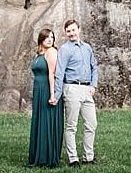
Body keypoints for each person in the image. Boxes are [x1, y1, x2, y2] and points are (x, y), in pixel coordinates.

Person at [53, 19, 98, 166]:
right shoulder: (65, 49)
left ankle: (88, 158)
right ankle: (73, 159)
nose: (71, 33)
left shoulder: (87, 48)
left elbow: (94, 67)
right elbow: (59, 73)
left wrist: (93, 85)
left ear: (79, 29)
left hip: (87, 90)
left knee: (91, 124)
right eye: (68, 31)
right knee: (71, 125)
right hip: (71, 88)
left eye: (73, 30)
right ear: (65, 33)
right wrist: (57, 95)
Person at [28, 28, 63, 168]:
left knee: (47, 121)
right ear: (41, 39)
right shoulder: (39, 54)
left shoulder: (52, 52)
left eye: (52, 37)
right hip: (38, 91)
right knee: (39, 121)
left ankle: (47, 157)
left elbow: (52, 74)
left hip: (48, 90)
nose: (50, 39)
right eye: (47, 37)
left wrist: (53, 94)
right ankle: (38, 154)